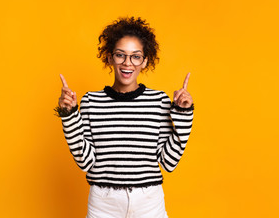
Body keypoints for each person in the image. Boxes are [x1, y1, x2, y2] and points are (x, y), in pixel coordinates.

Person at [54, 16, 194, 218]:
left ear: (145, 61)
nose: (127, 63)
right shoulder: (91, 101)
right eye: (120, 55)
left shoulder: (159, 101)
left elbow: (169, 161)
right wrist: (68, 115)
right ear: (110, 57)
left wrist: (183, 114)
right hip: (104, 204)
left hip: (149, 203)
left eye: (135, 56)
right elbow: (85, 162)